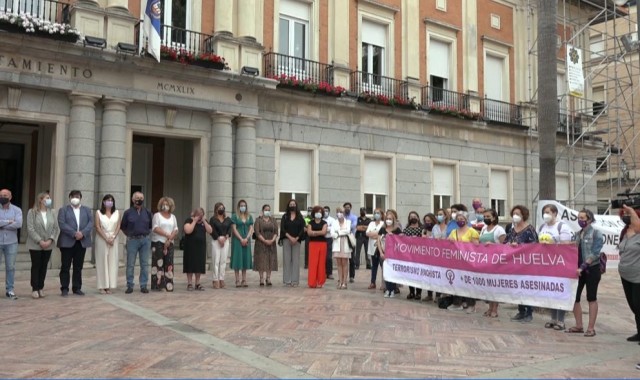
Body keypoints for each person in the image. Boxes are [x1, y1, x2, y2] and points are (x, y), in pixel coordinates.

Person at [566, 209, 603, 337]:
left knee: (591, 297)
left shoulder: (596, 233)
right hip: (578, 270)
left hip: (591, 269)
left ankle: (591, 328)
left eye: (583, 218)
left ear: (590, 219)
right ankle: (579, 325)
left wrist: (583, 266)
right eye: (579, 217)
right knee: (575, 298)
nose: (580, 220)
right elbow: (570, 248)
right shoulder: (577, 234)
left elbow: (595, 253)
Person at [538, 203, 573, 330]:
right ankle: (553, 318)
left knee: (560, 292)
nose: (545, 215)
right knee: (550, 291)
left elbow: (566, 246)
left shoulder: (562, 226)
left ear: (555, 213)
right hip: (546, 264)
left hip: (559, 264)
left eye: (548, 212)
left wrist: (553, 244)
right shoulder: (542, 226)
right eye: (544, 212)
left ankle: (561, 320)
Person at [504, 205, 539, 322]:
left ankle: (529, 312)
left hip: (526, 264)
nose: (515, 216)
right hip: (514, 265)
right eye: (514, 214)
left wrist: (520, 246)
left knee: (526, 288)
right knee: (517, 288)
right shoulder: (512, 229)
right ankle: (521, 311)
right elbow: (504, 243)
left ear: (524, 215)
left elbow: (535, 246)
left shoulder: (530, 229)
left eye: (518, 214)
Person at [57, 190, 93, 297]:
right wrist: (74, 233)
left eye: (77, 196)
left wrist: (82, 233)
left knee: (78, 266)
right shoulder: (63, 210)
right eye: (73, 196)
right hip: (67, 241)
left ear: (80, 198)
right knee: (65, 266)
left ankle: (77, 287)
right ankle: (64, 288)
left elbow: (91, 223)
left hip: (81, 241)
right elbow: (62, 223)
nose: (75, 198)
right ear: (69, 198)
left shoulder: (86, 210)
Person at [26, 191, 59, 299]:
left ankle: (41, 287)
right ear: (40, 200)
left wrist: (50, 240)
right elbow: (30, 229)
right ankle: (35, 288)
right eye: (47, 198)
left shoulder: (52, 212)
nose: (49, 200)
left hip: (48, 244)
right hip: (35, 244)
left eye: (49, 198)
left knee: (44, 266)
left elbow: (55, 228)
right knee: (36, 266)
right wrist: (40, 241)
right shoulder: (32, 212)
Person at [447, 211, 480, 312]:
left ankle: (471, 304)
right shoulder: (454, 231)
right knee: (456, 282)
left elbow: (476, 246)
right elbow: (447, 243)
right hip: (456, 261)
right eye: (458, 219)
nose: (459, 221)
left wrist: (463, 245)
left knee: (468, 282)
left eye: (462, 219)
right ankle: (457, 303)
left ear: (466, 220)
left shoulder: (472, 231)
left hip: (468, 261)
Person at [121, 191, 153, 294]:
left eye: (141, 198)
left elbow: (150, 226)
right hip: (132, 240)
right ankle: (130, 285)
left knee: (144, 264)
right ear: (133, 199)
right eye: (137, 198)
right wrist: (130, 235)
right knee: (130, 264)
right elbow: (123, 227)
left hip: (145, 240)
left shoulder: (147, 212)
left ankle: (143, 285)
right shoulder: (127, 213)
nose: (139, 200)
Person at [619, 204, 640, 344]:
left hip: (638, 275)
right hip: (625, 274)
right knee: (633, 305)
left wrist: (632, 211)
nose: (625, 216)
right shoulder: (624, 231)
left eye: (628, 214)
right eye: (624, 214)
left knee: (639, 305)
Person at [479, 208, 506, 317]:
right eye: (484, 217)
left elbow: (505, 246)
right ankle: (489, 308)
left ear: (494, 217)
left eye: (488, 217)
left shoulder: (499, 229)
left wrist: (493, 245)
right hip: (485, 261)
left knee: (495, 286)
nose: (486, 219)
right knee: (488, 286)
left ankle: (495, 309)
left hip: (496, 261)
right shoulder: (484, 228)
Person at [150, 197, 179, 292]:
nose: (165, 206)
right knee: (158, 264)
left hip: (169, 243)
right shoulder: (157, 215)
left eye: (167, 204)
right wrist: (167, 234)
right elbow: (155, 228)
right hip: (158, 242)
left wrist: (169, 239)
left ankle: (169, 284)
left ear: (170, 206)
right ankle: (158, 285)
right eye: (163, 204)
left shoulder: (173, 217)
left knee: (169, 264)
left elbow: (175, 229)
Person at [94, 194, 121, 294]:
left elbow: (118, 225)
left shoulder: (117, 213)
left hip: (113, 238)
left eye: (111, 200)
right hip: (102, 239)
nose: (109, 202)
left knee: (112, 261)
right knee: (102, 261)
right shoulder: (98, 213)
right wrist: (106, 238)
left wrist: (113, 237)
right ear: (103, 202)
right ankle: (102, 286)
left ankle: (109, 285)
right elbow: (97, 227)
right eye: (107, 200)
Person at [0, 189, 22, 300]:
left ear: (10, 197)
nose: (3, 197)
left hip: (11, 243)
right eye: (1, 195)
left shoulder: (17, 210)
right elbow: (13, 223)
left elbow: (18, 224)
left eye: (5, 195)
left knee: (10, 267)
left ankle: (10, 290)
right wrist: (9, 221)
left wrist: (2, 223)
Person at [183, 207, 212, 291]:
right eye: (198, 215)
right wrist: (195, 221)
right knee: (190, 264)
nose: (200, 216)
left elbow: (210, 231)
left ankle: (197, 283)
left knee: (199, 265)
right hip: (190, 247)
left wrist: (204, 221)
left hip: (200, 247)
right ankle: (189, 283)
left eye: (201, 215)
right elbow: (188, 230)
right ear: (194, 214)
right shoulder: (189, 220)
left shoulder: (204, 221)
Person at [280, 199, 305, 286]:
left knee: (295, 261)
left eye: (293, 204)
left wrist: (296, 238)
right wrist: (290, 237)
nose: (292, 205)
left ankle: (295, 281)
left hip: (297, 241)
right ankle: (287, 280)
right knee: (287, 260)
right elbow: (283, 228)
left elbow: (302, 228)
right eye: (290, 204)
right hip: (287, 239)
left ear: (296, 205)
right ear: (288, 206)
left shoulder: (300, 217)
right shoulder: (285, 216)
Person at [379, 209, 402, 298]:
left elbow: (401, 240)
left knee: (392, 273)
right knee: (385, 273)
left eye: (390, 219)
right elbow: (378, 241)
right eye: (387, 218)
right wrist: (381, 252)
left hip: (393, 255)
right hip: (383, 254)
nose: (388, 220)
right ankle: (387, 289)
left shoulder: (397, 229)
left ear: (393, 220)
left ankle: (392, 290)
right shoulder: (382, 229)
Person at [253, 204, 279, 287]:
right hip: (261, 243)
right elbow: (257, 232)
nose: (267, 211)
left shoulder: (273, 220)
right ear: (263, 211)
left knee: (270, 259)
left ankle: (268, 278)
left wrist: (272, 240)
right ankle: (261, 278)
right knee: (261, 260)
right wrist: (264, 240)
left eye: (268, 210)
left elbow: (276, 232)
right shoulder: (258, 220)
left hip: (271, 243)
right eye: (266, 210)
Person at [209, 202, 233, 289]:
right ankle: (215, 279)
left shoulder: (228, 219)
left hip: (225, 241)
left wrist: (226, 237)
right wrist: (219, 238)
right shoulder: (213, 219)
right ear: (216, 209)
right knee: (216, 261)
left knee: (223, 261)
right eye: (219, 208)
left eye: (222, 208)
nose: (221, 209)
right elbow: (212, 230)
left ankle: (222, 278)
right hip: (216, 240)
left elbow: (230, 229)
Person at [231, 199, 254, 287]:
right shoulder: (234, 216)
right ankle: (237, 280)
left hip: (246, 239)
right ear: (238, 207)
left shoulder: (249, 216)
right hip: (237, 240)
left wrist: (247, 238)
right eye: (241, 205)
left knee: (244, 258)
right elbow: (234, 228)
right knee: (237, 258)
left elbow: (251, 228)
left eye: (244, 205)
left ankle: (244, 280)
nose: (243, 207)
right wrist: (241, 239)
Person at [404, 211, 424, 301]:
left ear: (418, 218)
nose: (413, 218)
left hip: (420, 255)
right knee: (410, 274)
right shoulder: (406, 229)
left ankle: (419, 293)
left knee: (418, 274)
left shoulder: (422, 229)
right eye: (411, 216)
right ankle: (411, 291)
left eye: (415, 216)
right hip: (409, 255)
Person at [307, 205, 328, 288]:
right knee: (313, 263)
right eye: (317, 212)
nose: (318, 213)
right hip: (313, 244)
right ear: (314, 213)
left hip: (322, 244)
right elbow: (309, 232)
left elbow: (324, 232)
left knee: (321, 263)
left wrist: (314, 232)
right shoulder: (310, 222)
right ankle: (312, 282)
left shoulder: (324, 223)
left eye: (320, 212)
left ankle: (320, 282)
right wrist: (318, 232)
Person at [331, 206, 352, 289]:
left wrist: (338, 233)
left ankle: (345, 282)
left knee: (345, 263)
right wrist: (339, 233)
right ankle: (340, 280)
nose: (339, 213)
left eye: (341, 212)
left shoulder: (348, 222)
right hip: (337, 244)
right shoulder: (334, 222)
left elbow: (348, 231)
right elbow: (332, 233)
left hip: (345, 244)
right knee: (339, 263)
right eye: (338, 212)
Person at [366, 208, 385, 290]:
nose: (376, 214)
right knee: (374, 266)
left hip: (381, 247)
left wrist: (375, 235)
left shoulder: (383, 224)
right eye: (375, 213)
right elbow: (367, 233)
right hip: (372, 247)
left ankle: (383, 284)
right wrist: (377, 234)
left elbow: (382, 235)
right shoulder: (371, 223)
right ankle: (373, 282)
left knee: (383, 266)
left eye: (378, 213)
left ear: (381, 215)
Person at [421, 213, 438, 302]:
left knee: (437, 275)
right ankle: (429, 294)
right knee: (428, 275)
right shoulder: (424, 230)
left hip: (436, 254)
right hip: (427, 254)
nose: (427, 223)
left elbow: (437, 239)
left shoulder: (436, 228)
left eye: (429, 221)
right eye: (426, 221)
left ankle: (438, 295)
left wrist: (429, 238)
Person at [343, 202, 358, 282]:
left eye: (348, 207)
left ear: (350, 208)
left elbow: (353, 226)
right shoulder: (342, 217)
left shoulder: (354, 217)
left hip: (351, 238)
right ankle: (343, 276)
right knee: (343, 258)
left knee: (352, 258)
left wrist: (344, 227)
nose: (347, 208)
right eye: (345, 207)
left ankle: (352, 276)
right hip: (342, 238)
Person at [323, 206, 336, 280]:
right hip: (322, 239)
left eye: (327, 210)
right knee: (323, 257)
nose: (325, 212)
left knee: (329, 257)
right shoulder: (321, 219)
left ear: (329, 211)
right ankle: (324, 272)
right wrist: (326, 229)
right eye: (324, 210)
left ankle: (330, 273)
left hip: (329, 239)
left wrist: (325, 229)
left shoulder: (332, 220)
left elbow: (332, 229)